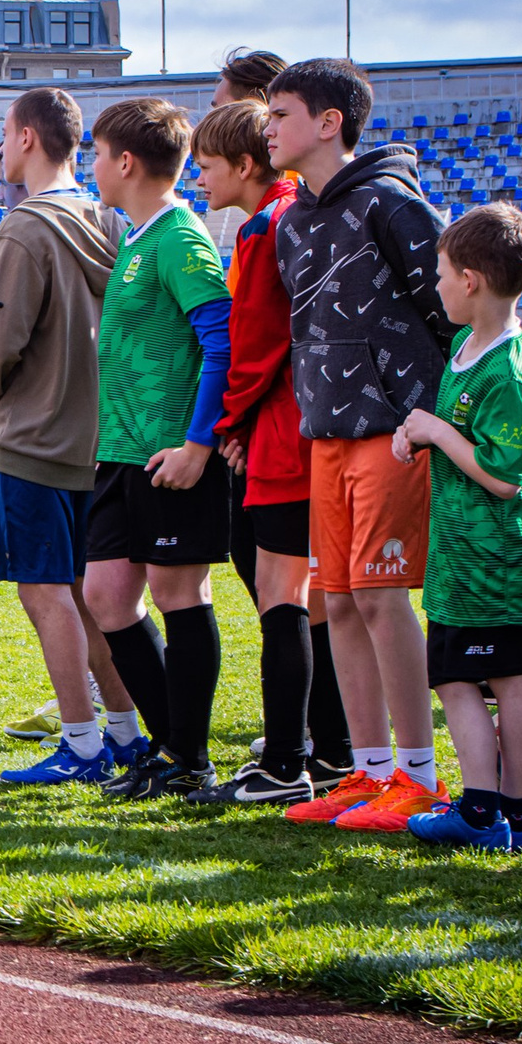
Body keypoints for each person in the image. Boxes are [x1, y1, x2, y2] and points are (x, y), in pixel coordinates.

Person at [268, 58, 455, 829]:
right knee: (336, 602)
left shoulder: (392, 202)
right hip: (326, 433)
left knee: (380, 596)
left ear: (329, 121)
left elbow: (452, 305)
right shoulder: (292, 220)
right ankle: (366, 771)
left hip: (393, 432)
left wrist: (430, 416)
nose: (269, 126)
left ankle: (418, 775)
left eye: (280, 113)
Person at [0, 87, 131, 786]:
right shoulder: (110, 223)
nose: (1, 148)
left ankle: (83, 739)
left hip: (32, 435)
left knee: (43, 590)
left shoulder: (25, 228)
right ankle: (121, 727)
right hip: (100, 436)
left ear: (28, 137)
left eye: (4, 134)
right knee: (89, 594)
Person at [80, 99, 237, 800]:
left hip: (171, 454)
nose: (90, 167)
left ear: (125, 162)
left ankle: (189, 757)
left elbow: (222, 340)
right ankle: (172, 744)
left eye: (95, 153)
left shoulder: (180, 237)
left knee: (179, 593)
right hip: (120, 451)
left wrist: (198, 446)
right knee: (106, 595)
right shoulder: (140, 237)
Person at [194, 97, 350, 804]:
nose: (201, 180)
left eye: (208, 167)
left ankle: (285, 762)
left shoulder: (266, 227)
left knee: (282, 598)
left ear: (246, 164)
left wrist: (227, 425)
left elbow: (255, 346)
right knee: (314, 599)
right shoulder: (299, 211)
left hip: (282, 434)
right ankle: (337, 750)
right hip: (310, 425)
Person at [396, 202, 522, 848]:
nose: (436, 282)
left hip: (492, 564)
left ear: (470, 280)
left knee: (476, 677)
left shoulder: (507, 368)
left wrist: (437, 430)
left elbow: (505, 474)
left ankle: (486, 811)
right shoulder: (463, 347)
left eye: (441, 271)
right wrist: (419, 433)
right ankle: (510, 811)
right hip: (459, 560)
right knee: (482, 675)